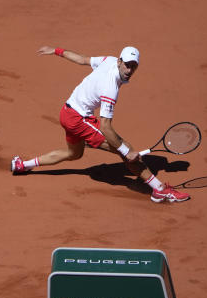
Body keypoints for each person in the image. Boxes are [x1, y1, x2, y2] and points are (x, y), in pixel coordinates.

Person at [10, 45, 190, 203]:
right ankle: (159, 190)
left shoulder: (108, 60)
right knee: (125, 149)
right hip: (78, 119)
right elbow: (105, 126)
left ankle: (23, 165)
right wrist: (127, 152)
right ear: (120, 61)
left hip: (67, 111)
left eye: (134, 67)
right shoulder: (110, 88)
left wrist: (56, 51)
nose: (129, 70)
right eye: (127, 65)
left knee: (74, 154)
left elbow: (81, 60)